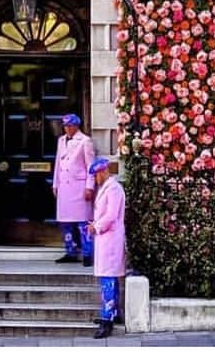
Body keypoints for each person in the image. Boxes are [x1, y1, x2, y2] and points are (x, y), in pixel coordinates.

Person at [87, 157, 126, 339]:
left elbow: (111, 215)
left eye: (96, 175)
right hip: (106, 239)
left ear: (103, 172)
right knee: (109, 277)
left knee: (107, 280)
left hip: (110, 239)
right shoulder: (107, 188)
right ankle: (114, 312)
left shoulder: (114, 189)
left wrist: (96, 226)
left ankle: (107, 319)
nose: (95, 179)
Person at [52, 112, 95, 265]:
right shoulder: (61, 141)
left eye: (70, 126)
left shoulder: (85, 141)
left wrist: (90, 186)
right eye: (65, 126)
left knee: (83, 222)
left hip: (79, 187)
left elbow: (90, 166)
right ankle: (70, 251)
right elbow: (58, 163)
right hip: (64, 186)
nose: (67, 129)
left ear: (76, 126)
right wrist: (55, 183)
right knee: (65, 222)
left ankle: (88, 253)